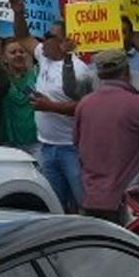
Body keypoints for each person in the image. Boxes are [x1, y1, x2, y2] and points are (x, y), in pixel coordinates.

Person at [71, 50, 139, 221]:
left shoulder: (84, 105)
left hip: (92, 200)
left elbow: (77, 144)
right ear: (127, 71)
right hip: (129, 204)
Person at [30, 27, 93, 212]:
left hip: (71, 148)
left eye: (49, 36)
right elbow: (23, 36)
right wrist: (18, 12)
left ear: (62, 41)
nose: (43, 40)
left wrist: (50, 107)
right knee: (55, 206)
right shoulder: (43, 57)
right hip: (46, 147)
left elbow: (85, 106)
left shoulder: (80, 69)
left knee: (83, 203)